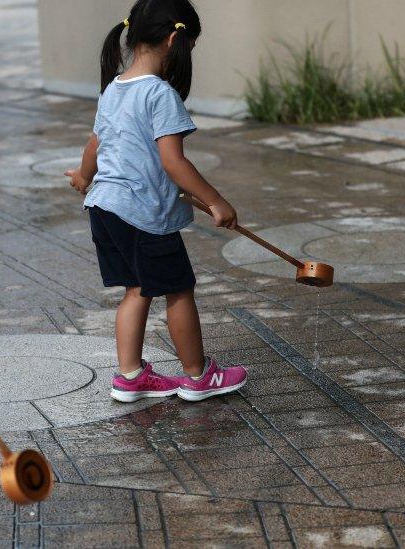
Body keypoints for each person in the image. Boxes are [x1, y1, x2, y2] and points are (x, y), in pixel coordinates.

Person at [65, 0, 248, 403]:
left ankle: (130, 376)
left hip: (104, 209)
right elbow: (173, 161)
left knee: (135, 290)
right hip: (143, 214)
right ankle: (198, 377)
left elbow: (95, 143)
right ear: (172, 40)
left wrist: (83, 176)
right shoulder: (160, 94)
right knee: (179, 291)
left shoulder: (114, 87)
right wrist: (216, 201)